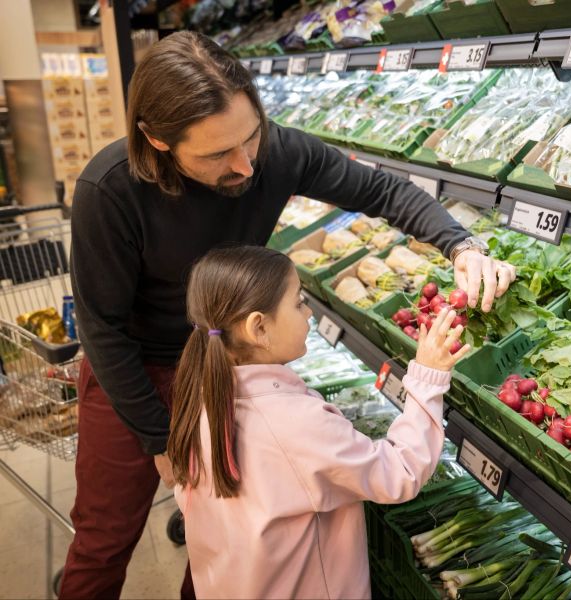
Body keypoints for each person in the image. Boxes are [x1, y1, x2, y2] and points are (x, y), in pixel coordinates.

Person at [61, 31, 514, 599]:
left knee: (226, 530)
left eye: (251, 137)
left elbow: (380, 191)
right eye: (216, 154)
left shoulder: (274, 153)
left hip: (226, 364)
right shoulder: (109, 192)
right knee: (105, 535)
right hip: (133, 367)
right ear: (156, 141)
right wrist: (160, 440)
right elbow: (101, 328)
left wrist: (461, 245)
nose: (246, 166)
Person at [169, 245, 467, 598]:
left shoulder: (200, 394)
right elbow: (399, 473)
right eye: (298, 302)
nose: (308, 312)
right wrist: (427, 378)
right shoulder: (294, 424)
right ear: (258, 328)